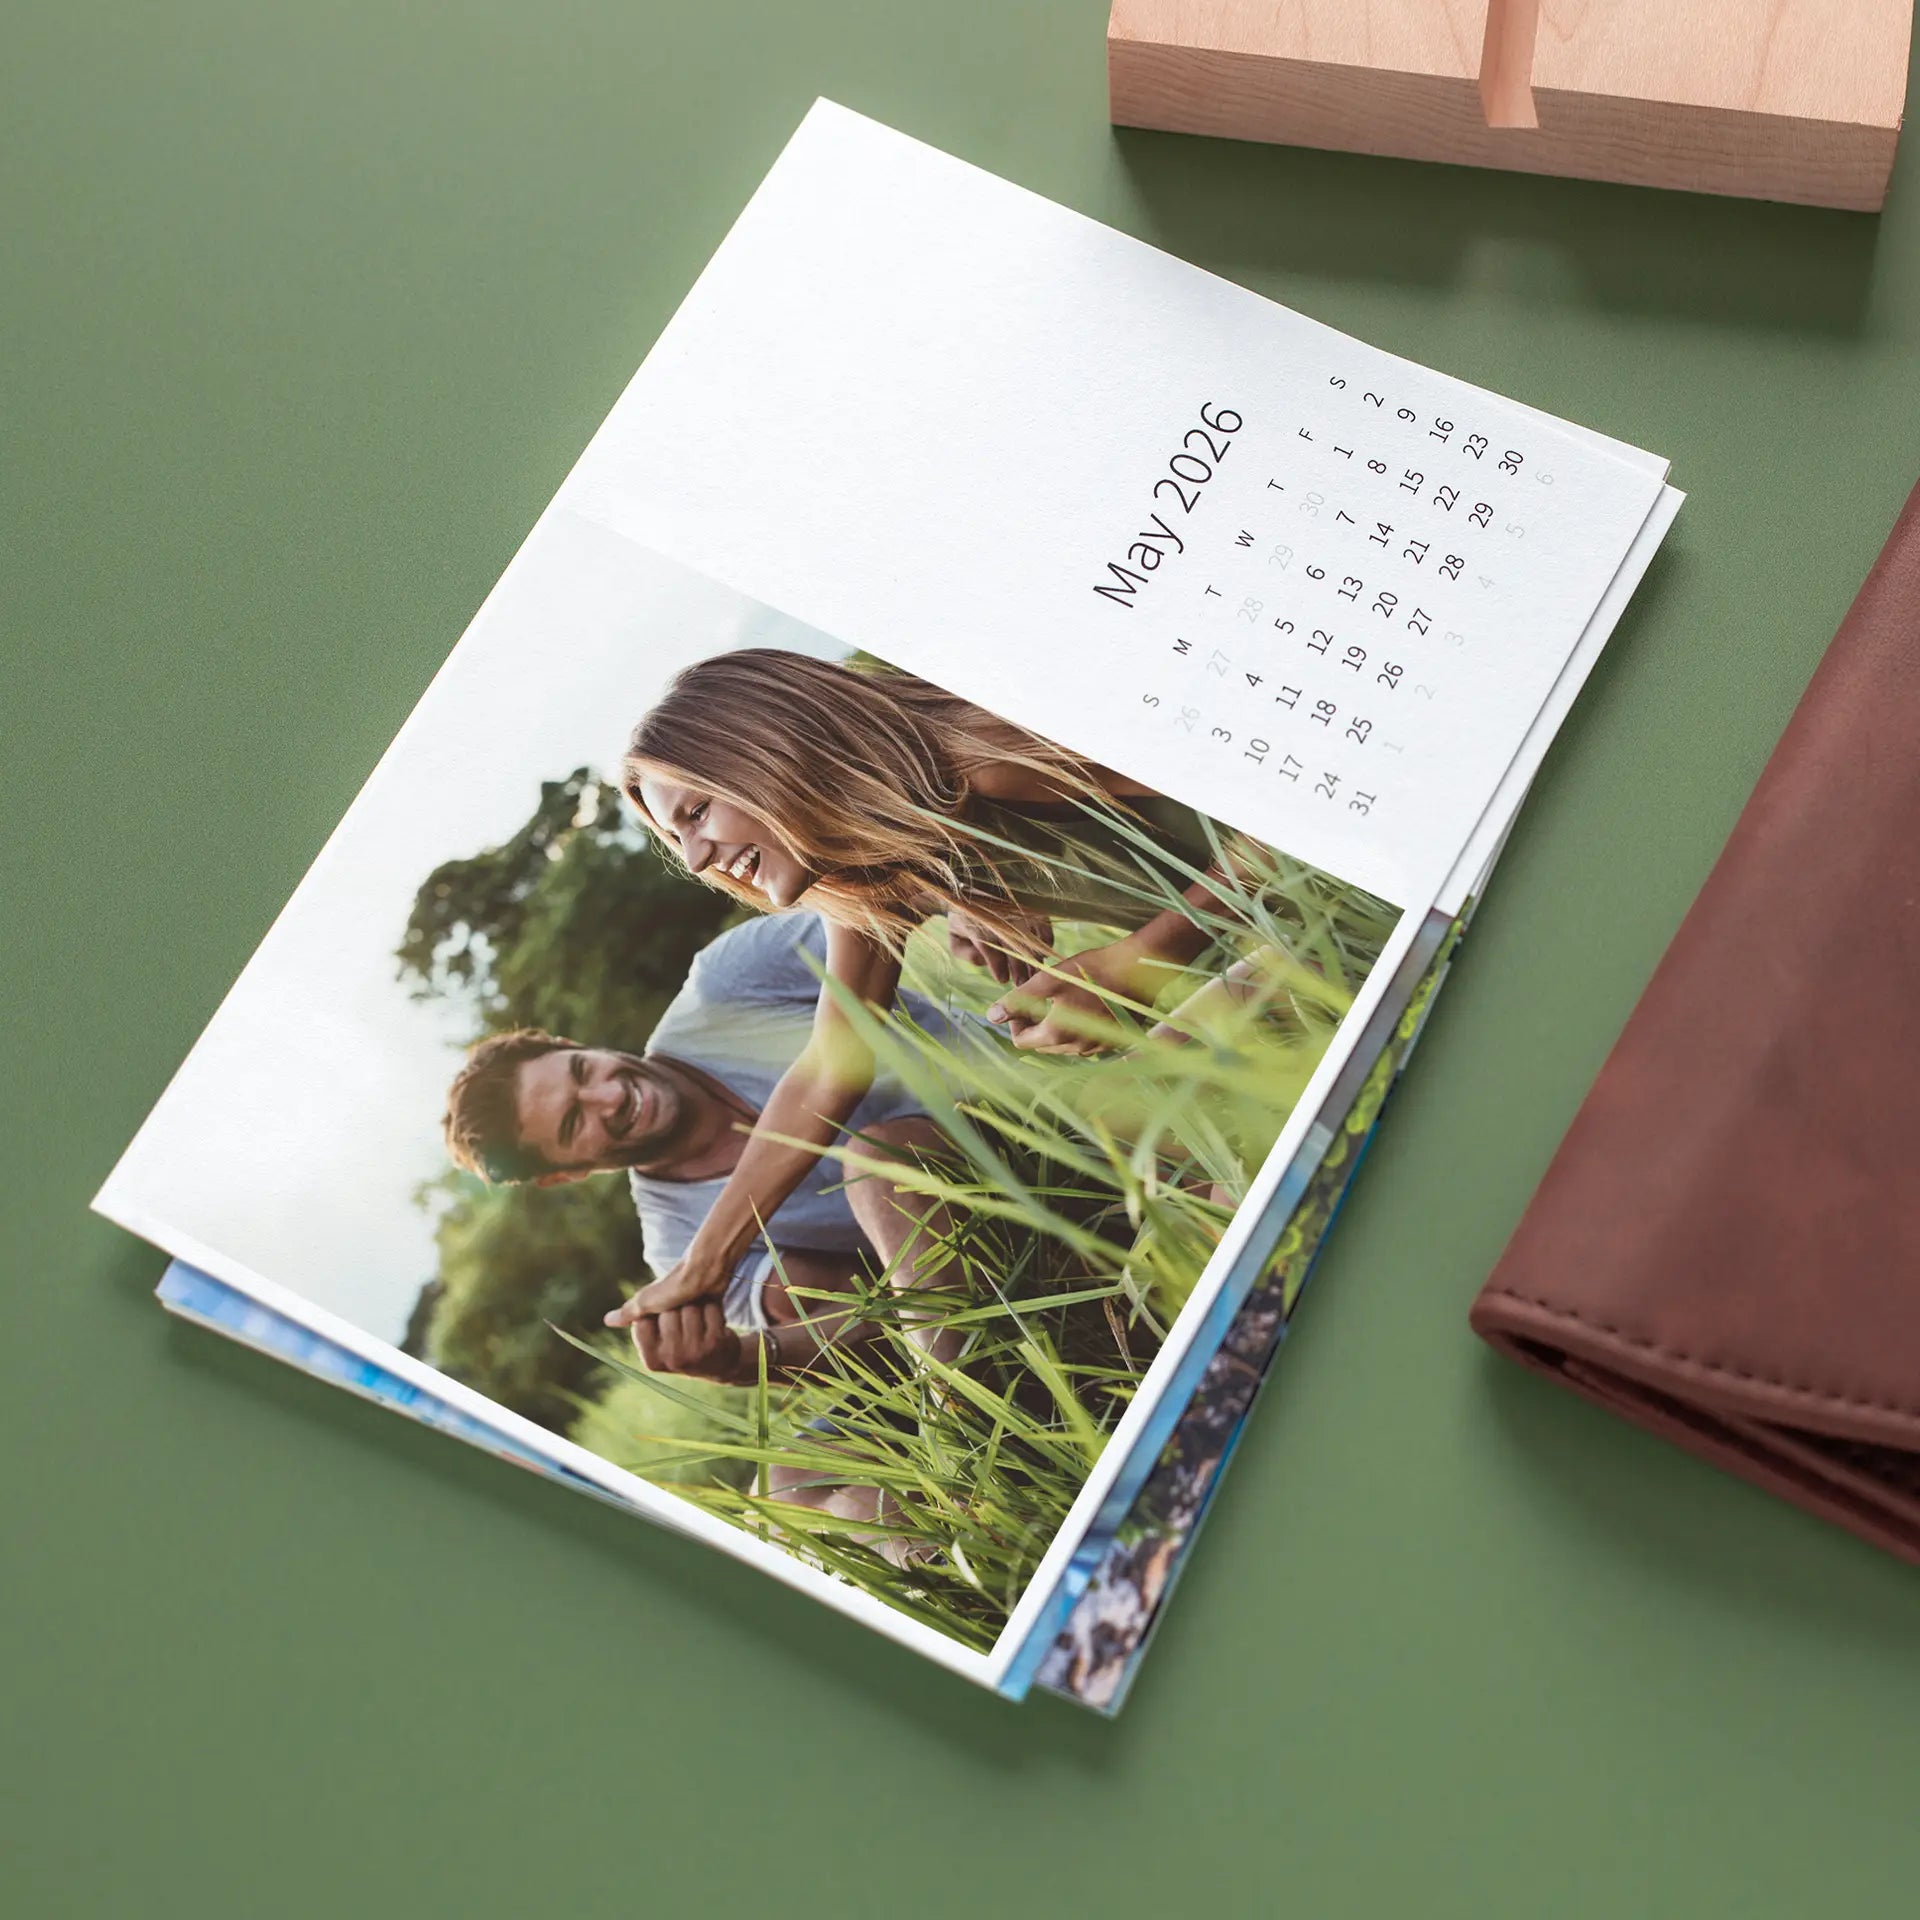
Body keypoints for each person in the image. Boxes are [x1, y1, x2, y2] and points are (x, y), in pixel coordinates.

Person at [615, 646, 1256, 1327]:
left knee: (1205, 1217)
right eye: (674, 837)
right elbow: (832, 1068)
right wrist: (705, 1266)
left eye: (696, 813)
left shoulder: (988, 758)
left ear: (767, 755)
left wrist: (1145, 958)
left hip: (1331, 923)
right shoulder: (877, 867)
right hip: (1266, 955)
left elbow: (1296, 803)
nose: (693, 857)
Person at [440, 911, 975, 1386]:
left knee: (880, 1162)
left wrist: (962, 914)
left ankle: (962, 1411)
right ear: (565, 1174)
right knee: (795, 1485)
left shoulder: (729, 982)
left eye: (583, 1070)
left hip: (1021, 1110)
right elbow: (880, 1311)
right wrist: (736, 1362)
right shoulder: (674, 1245)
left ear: (570, 1044)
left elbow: (873, 907)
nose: (610, 1094)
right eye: (575, 1122)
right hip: (981, 1248)